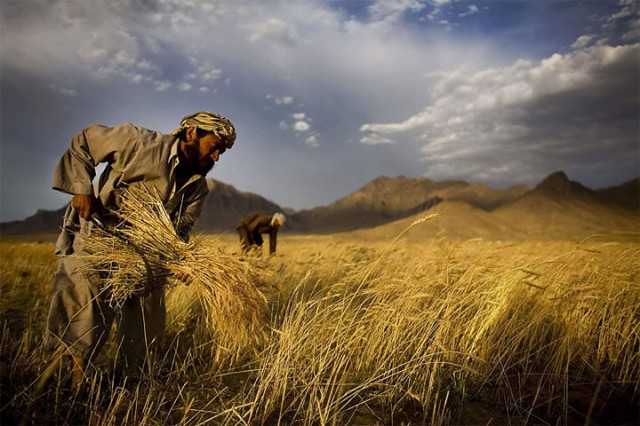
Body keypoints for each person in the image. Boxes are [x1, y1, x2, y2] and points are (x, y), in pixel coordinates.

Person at [45, 111, 236, 385]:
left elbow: (178, 232)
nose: (216, 157)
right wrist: (82, 190)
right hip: (98, 238)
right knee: (83, 311)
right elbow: (85, 141)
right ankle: (73, 383)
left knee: (147, 318)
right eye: (214, 147)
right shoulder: (139, 143)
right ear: (192, 133)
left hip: (147, 255)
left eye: (222, 152)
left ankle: (130, 380)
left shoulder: (197, 188)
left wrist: (180, 262)